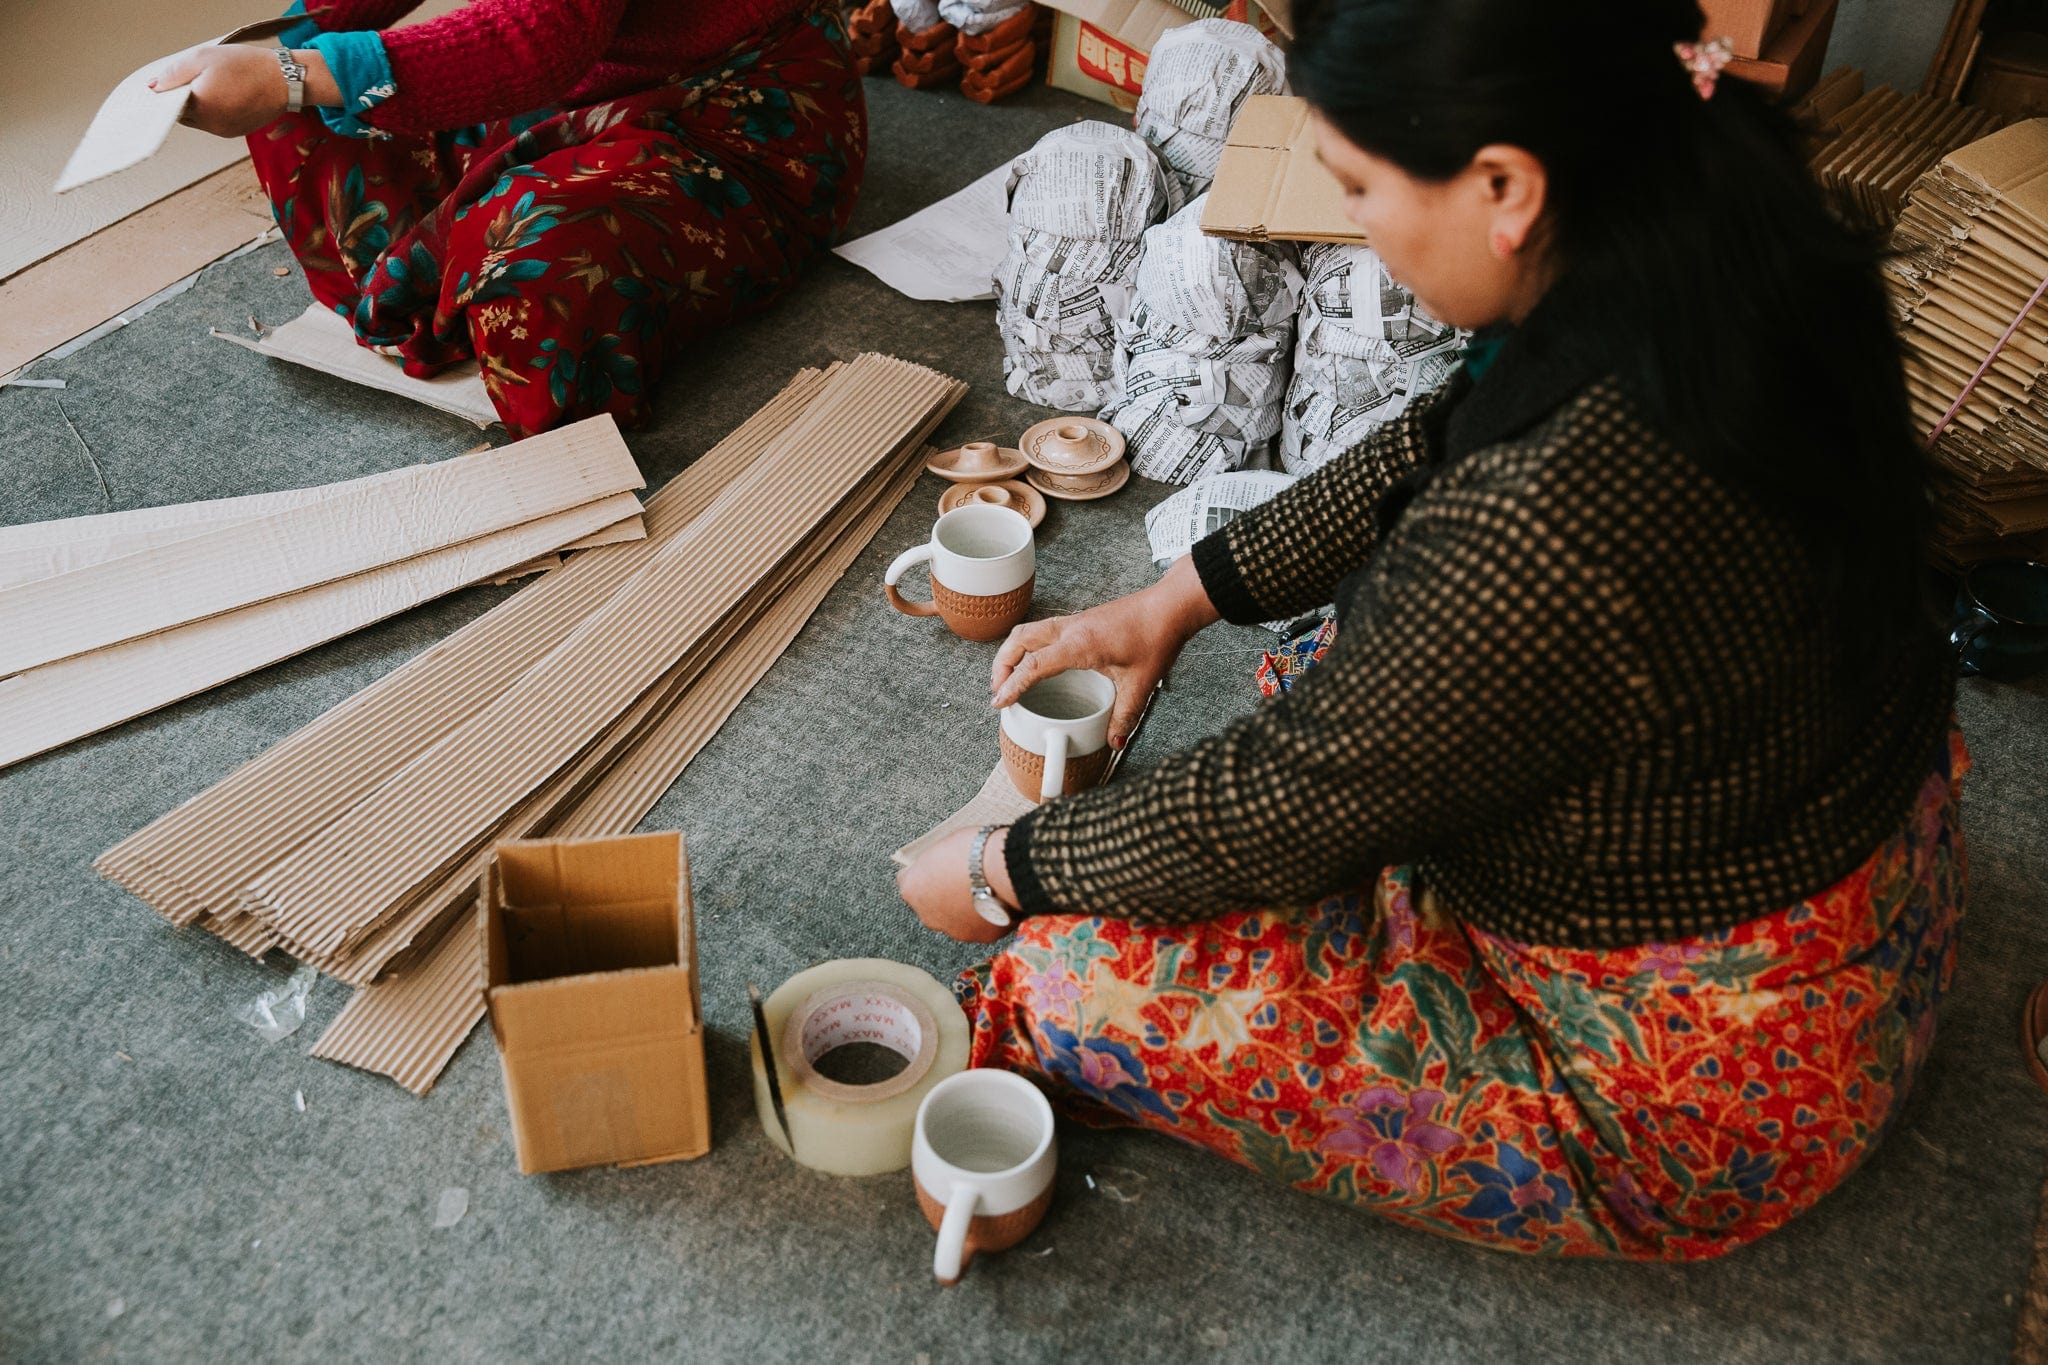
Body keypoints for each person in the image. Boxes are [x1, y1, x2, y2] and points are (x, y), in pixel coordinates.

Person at [898, 0, 1966, 1260]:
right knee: (1337, 652)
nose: (1354, 224)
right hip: (1846, 873)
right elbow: (1434, 440)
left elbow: (1280, 803)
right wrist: (1172, 601)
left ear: (1504, 184)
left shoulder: (1550, 520)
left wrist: (997, 873)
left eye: (1360, 186)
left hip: (1691, 1080)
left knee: (1071, 973)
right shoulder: (1713, 224)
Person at [151, 0, 865, 436]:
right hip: (565, 90)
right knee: (295, 121)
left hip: (729, 108)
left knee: (536, 250)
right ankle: (460, 291)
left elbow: (541, 39)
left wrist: (296, 70)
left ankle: (495, 306)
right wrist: (290, 42)